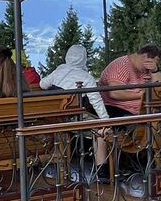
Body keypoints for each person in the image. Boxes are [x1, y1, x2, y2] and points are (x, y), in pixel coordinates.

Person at [40, 44, 111, 182]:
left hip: (53, 117)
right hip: (73, 117)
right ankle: (102, 171)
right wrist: (106, 121)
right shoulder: (86, 77)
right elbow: (96, 101)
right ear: (84, 58)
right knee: (100, 131)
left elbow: (42, 84)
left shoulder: (58, 71)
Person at [98, 44, 161, 116]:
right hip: (118, 109)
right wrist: (142, 95)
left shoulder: (148, 69)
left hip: (144, 109)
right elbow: (115, 93)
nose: (151, 66)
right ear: (144, 56)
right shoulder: (122, 65)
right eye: (152, 62)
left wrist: (155, 70)